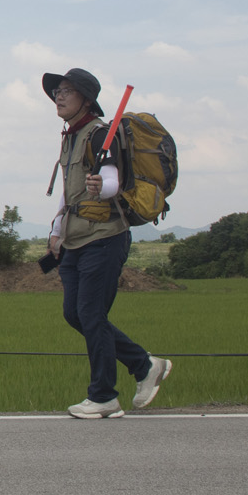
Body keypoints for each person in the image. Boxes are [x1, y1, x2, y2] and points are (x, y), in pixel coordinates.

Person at [42, 68, 170, 418]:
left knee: (92, 315)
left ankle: (103, 396)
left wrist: (104, 187)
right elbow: (69, 191)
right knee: (75, 314)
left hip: (104, 237)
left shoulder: (101, 135)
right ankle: (143, 365)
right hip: (75, 238)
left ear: (85, 98)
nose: (59, 97)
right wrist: (56, 230)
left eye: (67, 91)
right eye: (57, 92)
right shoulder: (71, 137)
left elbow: (111, 180)